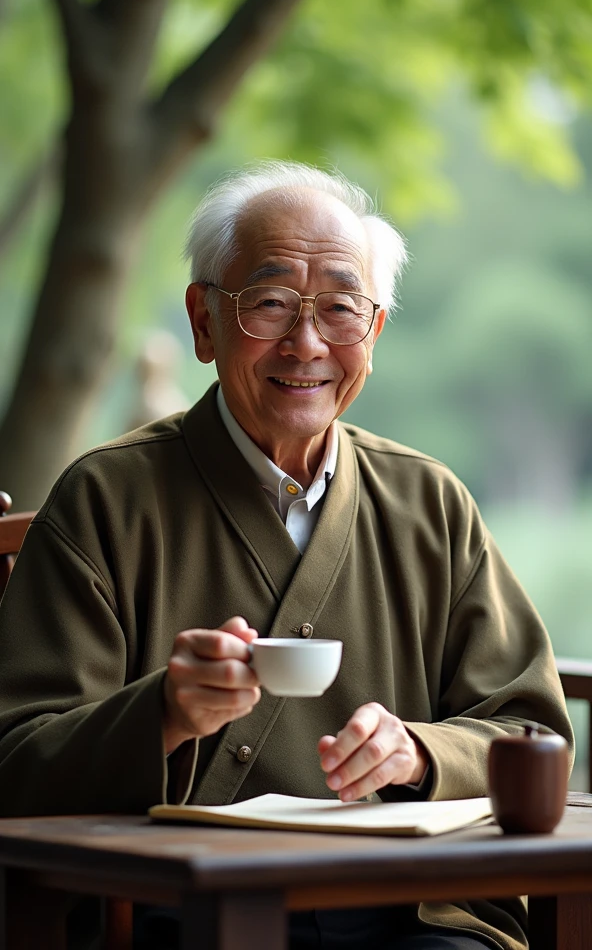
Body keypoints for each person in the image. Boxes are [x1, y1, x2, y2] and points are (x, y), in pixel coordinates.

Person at [0, 161, 573, 950]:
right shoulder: (106, 499)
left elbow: (528, 730)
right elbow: (14, 756)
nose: (307, 343)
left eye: (340, 308)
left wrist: (420, 751)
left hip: (410, 916)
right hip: (175, 916)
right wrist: (162, 713)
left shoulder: (429, 503)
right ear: (204, 323)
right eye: (269, 304)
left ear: (371, 334)